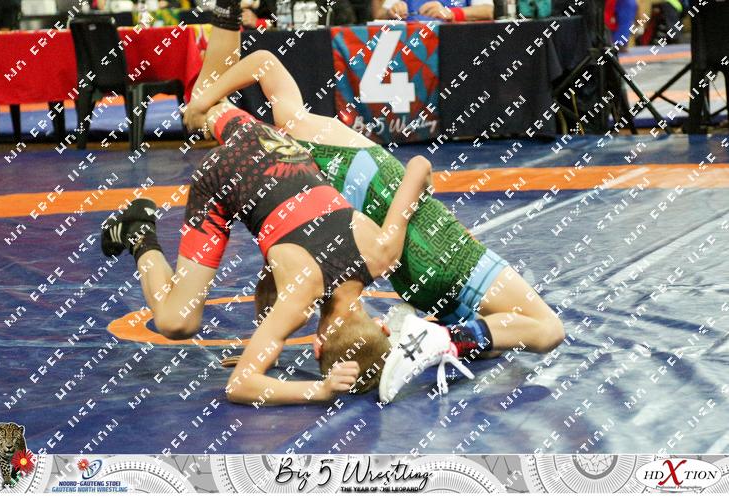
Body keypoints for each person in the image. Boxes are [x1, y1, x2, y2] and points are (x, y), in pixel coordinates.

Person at [183, 50, 565, 403]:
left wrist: (263, 352)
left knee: (494, 341)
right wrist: (202, 101)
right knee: (547, 329)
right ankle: (438, 337)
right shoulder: (300, 128)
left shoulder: (281, 199)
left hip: (411, 278)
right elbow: (265, 62)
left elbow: (270, 288)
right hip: (436, 251)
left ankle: (441, 337)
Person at [373, 0, 494, 22]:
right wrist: (392, 12)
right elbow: (380, 14)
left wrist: (452, 13)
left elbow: (487, 10)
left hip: (456, 41)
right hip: (412, 46)